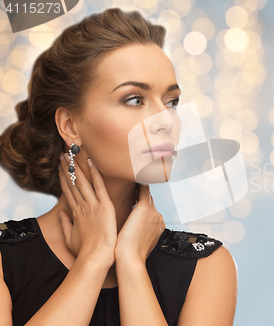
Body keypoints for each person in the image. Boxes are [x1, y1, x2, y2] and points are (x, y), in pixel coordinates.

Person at [0, 8, 237, 326]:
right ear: (70, 125)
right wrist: (93, 260)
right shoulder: (5, 259)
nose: (165, 120)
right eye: (135, 99)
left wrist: (130, 264)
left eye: (171, 102)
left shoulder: (206, 266)